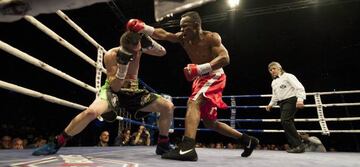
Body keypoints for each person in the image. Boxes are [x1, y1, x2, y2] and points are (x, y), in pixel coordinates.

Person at [127, 11, 259, 161]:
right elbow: (163, 34)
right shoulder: (183, 38)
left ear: (196, 26)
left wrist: (200, 68)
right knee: (210, 123)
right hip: (200, 79)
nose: (182, 30)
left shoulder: (211, 37)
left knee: (193, 102)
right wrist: (143, 27)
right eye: (181, 27)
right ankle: (247, 140)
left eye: (186, 27)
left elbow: (225, 58)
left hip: (214, 75)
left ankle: (187, 148)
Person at [32, 31, 174, 156]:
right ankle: (58, 142)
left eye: (138, 50)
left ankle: (162, 144)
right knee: (91, 112)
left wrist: (150, 41)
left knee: (167, 106)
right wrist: (122, 68)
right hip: (113, 91)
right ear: (124, 48)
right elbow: (116, 87)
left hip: (134, 92)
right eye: (133, 52)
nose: (137, 53)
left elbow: (162, 52)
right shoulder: (111, 55)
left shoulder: (139, 48)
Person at [265, 61, 306, 153]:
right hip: (282, 103)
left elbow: (299, 87)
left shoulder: (288, 76)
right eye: (270, 70)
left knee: (285, 120)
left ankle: (299, 145)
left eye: (274, 68)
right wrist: (271, 104)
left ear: (279, 68)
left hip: (291, 100)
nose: (272, 71)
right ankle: (297, 145)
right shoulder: (274, 82)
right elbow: (275, 95)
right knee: (287, 122)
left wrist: (300, 99)